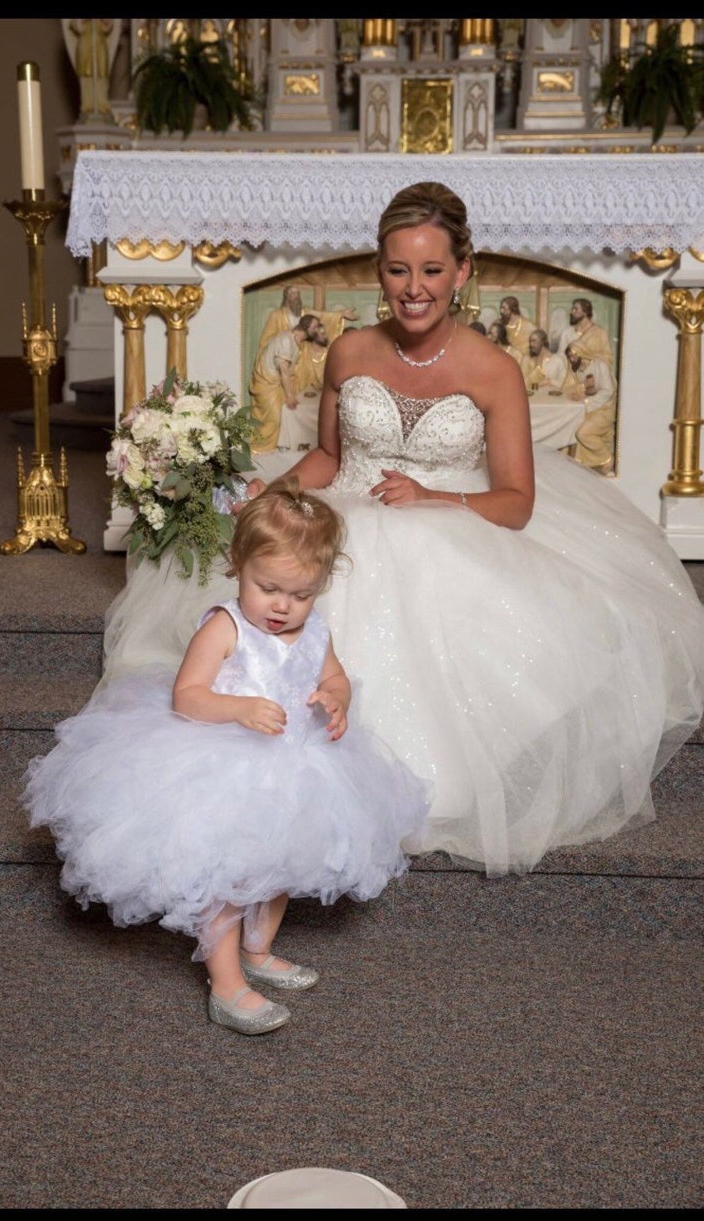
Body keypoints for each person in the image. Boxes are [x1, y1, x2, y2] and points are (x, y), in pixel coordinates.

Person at [99, 180, 704, 878]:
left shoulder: (494, 369)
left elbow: (515, 503)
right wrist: (278, 488)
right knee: (291, 586)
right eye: (397, 269)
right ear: (379, 270)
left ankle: (415, 788)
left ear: (463, 271)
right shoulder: (350, 351)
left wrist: (433, 497)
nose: (414, 288)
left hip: (450, 520)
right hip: (346, 514)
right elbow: (329, 455)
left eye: (432, 269)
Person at [22, 478, 429, 1035]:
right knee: (226, 874)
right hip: (226, 762)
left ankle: (259, 951)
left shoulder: (315, 631)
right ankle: (226, 980)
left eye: (302, 594)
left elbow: (333, 676)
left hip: (299, 763)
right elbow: (187, 697)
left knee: (287, 860)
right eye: (269, 589)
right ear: (238, 565)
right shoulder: (224, 626)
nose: (284, 607)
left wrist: (336, 698)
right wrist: (237, 709)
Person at [248, 314, 328, 452]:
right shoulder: (286, 340)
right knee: (273, 419)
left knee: (282, 417)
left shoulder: (295, 341)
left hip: (275, 384)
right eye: (314, 327)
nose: (316, 330)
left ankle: (271, 451)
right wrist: (290, 395)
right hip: (267, 383)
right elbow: (283, 370)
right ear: (305, 327)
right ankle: (257, 450)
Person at [564, 342, 618, 473]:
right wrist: (579, 390)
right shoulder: (578, 369)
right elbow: (569, 386)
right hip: (587, 409)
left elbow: (608, 391)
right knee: (570, 425)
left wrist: (587, 401)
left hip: (605, 409)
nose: (571, 360)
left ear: (581, 353)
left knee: (582, 433)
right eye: (569, 357)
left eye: (573, 356)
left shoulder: (600, 365)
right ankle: (584, 462)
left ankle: (607, 458)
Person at [554, 297, 614, 367]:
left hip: (593, 373)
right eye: (572, 309)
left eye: (575, 309)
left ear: (585, 312)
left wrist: (588, 360)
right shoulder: (567, 332)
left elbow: (608, 358)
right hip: (571, 371)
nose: (571, 312)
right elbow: (561, 356)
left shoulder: (600, 332)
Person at [522, 327, 567, 392]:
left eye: (534, 341)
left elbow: (566, 383)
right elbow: (523, 382)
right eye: (530, 341)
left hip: (551, 399)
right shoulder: (529, 361)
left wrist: (549, 381)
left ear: (542, 342)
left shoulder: (557, 361)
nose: (531, 344)